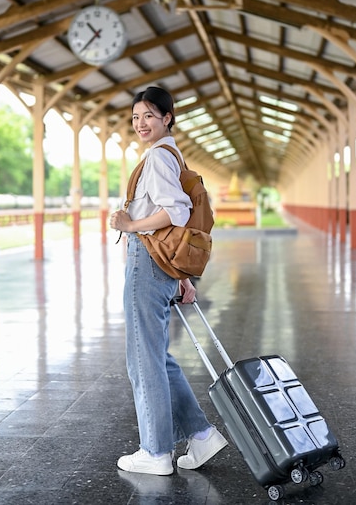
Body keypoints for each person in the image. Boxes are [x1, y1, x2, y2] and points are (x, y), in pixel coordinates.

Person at [110, 86, 227, 476]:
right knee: (156, 356)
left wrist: (130, 224)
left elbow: (175, 211)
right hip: (162, 267)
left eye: (148, 116)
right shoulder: (171, 155)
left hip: (146, 263)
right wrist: (180, 276)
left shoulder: (159, 156)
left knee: (143, 359)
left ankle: (155, 451)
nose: (141, 124)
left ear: (167, 118)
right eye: (135, 117)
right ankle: (200, 434)